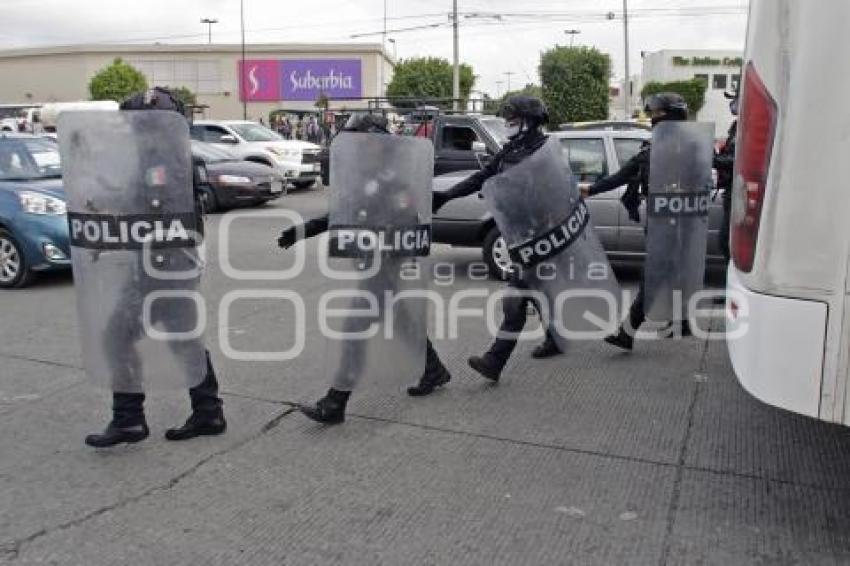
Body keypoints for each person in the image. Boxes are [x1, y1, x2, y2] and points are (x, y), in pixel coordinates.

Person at [278, 113, 452, 424]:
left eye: (360, 140)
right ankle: (434, 370)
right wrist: (305, 229)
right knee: (401, 321)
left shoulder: (393, 177)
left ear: (376, 142)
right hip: (372, 262)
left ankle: (335, 402)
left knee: (354, 329)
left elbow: (408, 222)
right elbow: (343, 214)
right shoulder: (366, 174)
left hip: (386, 265)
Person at [83, 87, 226, 448]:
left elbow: (153, 211)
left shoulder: (165, 162)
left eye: (138, 123)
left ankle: (129, 419)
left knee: (117, 335)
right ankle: (208, 412)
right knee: (183, 340)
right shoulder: (163, 156)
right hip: (167, 262)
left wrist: (113, 223)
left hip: (167, 264)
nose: (134, 129)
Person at [432, 96, 563, 383]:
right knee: (537, 290)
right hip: (516, 233)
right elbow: (482, 176)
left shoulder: (547, 151)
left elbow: (557, 194)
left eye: (513, 120)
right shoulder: (511, 149)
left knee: (515, 298)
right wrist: (447, 196)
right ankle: (555, 337)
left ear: (529, 122)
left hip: (539, 235)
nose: (508, 125)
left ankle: (495, 360)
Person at [586, 92, 690, 351]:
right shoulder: (655, 147)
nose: (653, 119)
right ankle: (682, 321)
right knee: (671, 274)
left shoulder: (687, 148)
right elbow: (624, 175)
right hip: (661, 220)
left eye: (657, 114)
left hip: (674, 223)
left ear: (672, 115)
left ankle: (627, 332)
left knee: (653, 276)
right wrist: (591, 189)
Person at [714, 92, 738, 263]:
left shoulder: (748, 125)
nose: (733, 105)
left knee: (727, 240)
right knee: (725, 241)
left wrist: (713, 159)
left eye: (735, 100)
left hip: (737, 190)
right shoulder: (737, 126)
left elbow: (737, 160)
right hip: (731, 190)